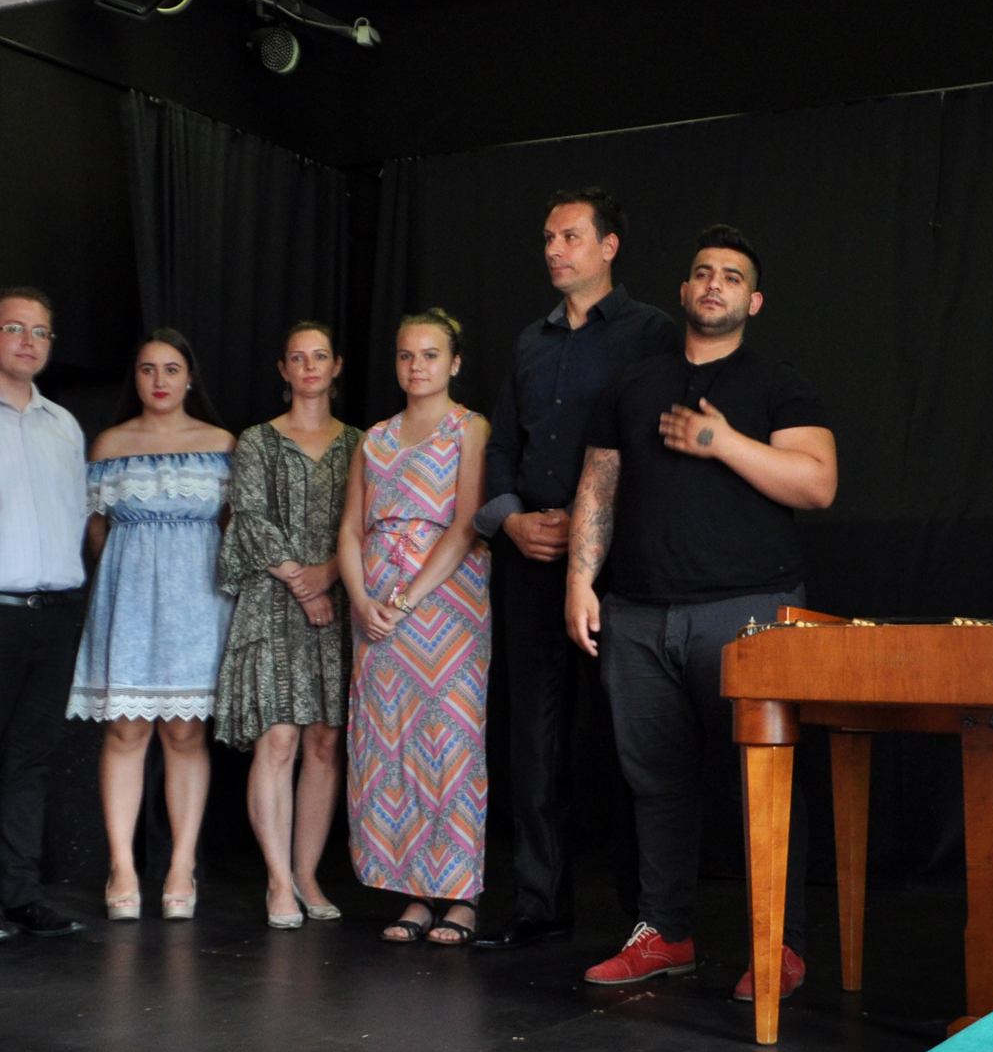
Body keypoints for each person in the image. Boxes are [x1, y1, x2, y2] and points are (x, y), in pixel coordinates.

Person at [566, 225, 837, 999]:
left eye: (732, 276)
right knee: (654, 782)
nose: (715, 284)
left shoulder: (777, 383)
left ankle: (777, 945)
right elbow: (599, 485)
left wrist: (722, 440)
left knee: (763, 779)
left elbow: (818, 483)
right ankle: (665, 933)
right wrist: (580, 581)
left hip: (748, 613)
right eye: (703, 273)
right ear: (683, 291)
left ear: (754, 301)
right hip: (639, 615)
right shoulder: (634, 383)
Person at [472, 188, 679, 952]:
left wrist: (599, 531)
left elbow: (656, 443)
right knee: (534, 736)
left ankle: (647, 914)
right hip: (533, 556)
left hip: (621, 564)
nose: (554, 250)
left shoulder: (652, 332)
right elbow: (503, 445)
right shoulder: (531, 341)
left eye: (569, 236)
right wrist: (511, 520)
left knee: (630, 738)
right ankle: (540, 904)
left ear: (608, 246)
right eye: (548, 238)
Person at [68, 329, 235, 923]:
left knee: (185, 734)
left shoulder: (221, 443)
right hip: (130, 598)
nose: (159, 380)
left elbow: (232, 525)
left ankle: (181, 865)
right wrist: (128, 574)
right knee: (125, 731)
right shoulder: (110, 444)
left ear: (190, 378)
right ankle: (121, 867)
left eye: (171, 368)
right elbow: (95, 528)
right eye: (147, 369)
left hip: (197, 600)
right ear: (134, 378)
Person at [340, 310, 491, 945]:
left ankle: (460, 896)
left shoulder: (469, 427)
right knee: (391, 743)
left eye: (430, 355)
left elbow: (467, 522)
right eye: (406, 355)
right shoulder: (373, 438)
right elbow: (350, 531)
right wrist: (361, 598)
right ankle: (413, 891)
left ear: (454, 363)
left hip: (446, 605)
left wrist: (406, 599)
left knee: (450, 741)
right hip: (377, 609)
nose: (416, 366)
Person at [0, 288, 89, 946]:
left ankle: (23, 896)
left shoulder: (65, 425)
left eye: (41, 332)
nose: (28, 342)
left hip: (56, 614)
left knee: (30, 762)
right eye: (13, 328)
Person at [215, 322, 361, 929]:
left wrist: (328, 577)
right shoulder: (257, 441)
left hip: (338, 596)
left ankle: (307, 873)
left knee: (324, 741)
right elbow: (248, 518)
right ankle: (277, 880)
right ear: (283, 369)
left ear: (337, 366)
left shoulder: (360, 444)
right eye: (297, 358)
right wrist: (304, 584)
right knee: (278, 739)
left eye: (319, 356)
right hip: (273, 600)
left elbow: (367, 524)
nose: (309, 367)